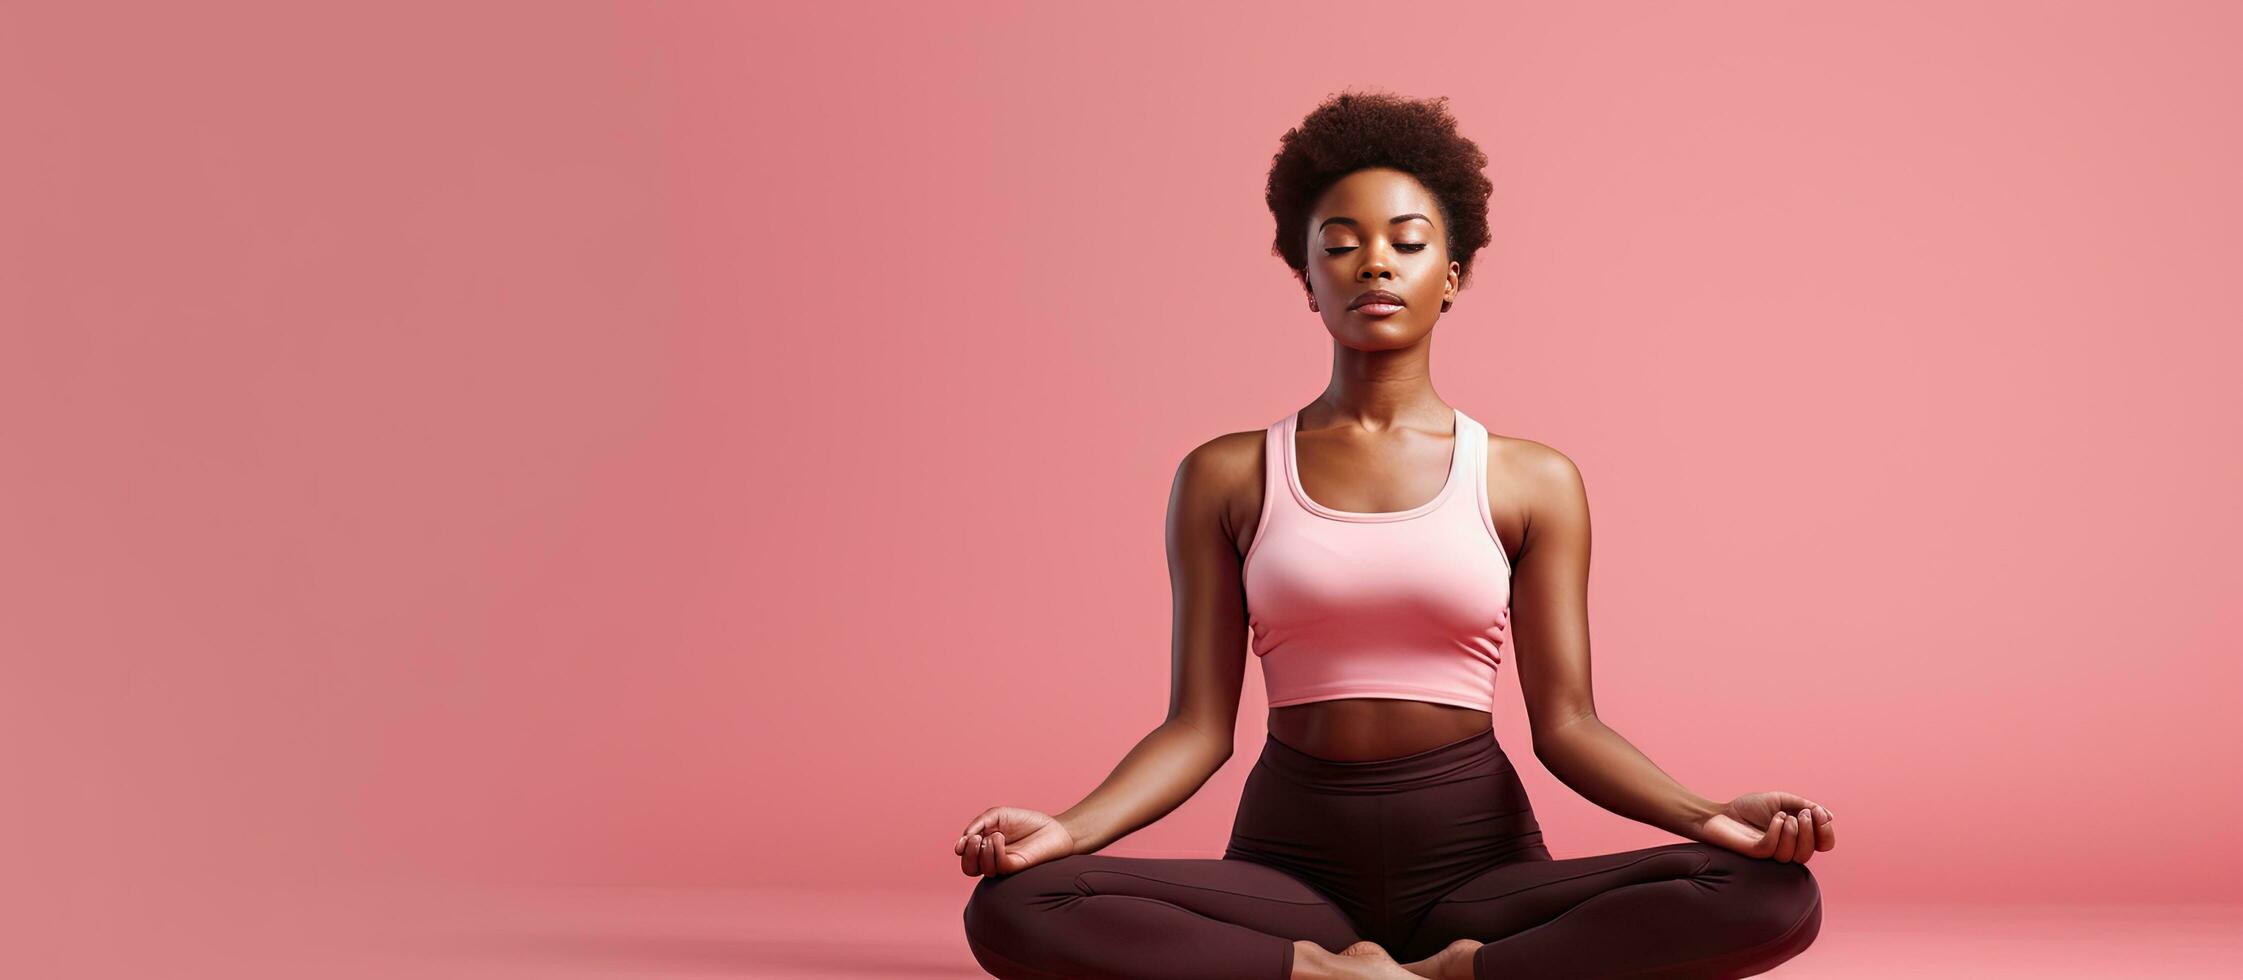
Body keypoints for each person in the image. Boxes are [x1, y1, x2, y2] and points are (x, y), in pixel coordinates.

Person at [955, 89, 1831, 980]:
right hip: (1288, 872)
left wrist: (1708, 813)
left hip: (1479, 872)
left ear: (1449, 275)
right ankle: (1327, 973)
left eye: (1407, 244)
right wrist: (1064, 830)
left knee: (1773, 895)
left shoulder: (1530, 480)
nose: (1375, 265)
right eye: (1340, 245)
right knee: (1016, 905)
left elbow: (1568, 724)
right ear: (1306, 277)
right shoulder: (1227, 475)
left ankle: (1446, 971)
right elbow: (1195, 729)